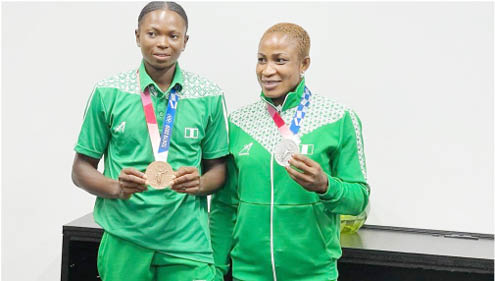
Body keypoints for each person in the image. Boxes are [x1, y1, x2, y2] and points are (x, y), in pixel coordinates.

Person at [71, 2, 228, 280]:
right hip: (125, 237)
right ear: (137, 36)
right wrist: (116, 187)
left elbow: (219, 169)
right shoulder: (109, 92)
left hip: (187, 243)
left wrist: (201, 183)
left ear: (185, 41)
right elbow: (80, 169)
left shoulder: (209, 95)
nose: (162, 43)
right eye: (152, 33)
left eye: (173, 35)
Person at [210, 23, 370, 281]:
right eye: (261, 60)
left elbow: (359, 198)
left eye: (280, 60)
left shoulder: (339, 118)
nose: (267, 70)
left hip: (313, 274)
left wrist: (325, 185)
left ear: (304, 64)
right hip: (248, 274)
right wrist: (214, 271)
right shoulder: (238, 122)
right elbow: (225, 207)